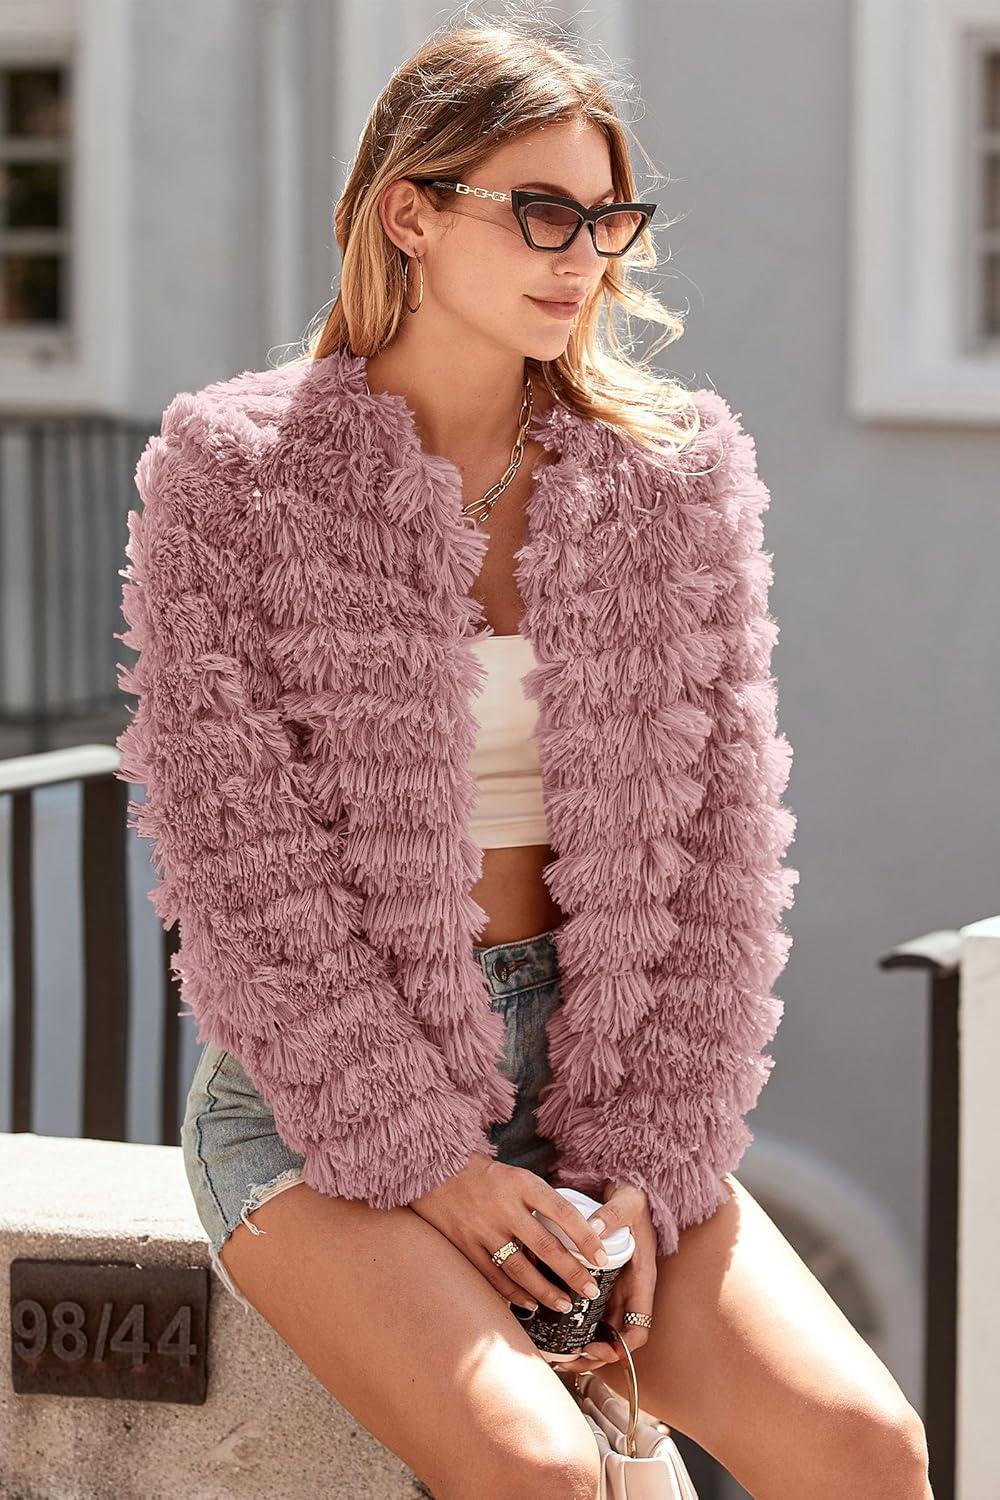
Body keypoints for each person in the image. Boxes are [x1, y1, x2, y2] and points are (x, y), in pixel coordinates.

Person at [115, 19, 933, 1500]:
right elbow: (246, 882)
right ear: (411, 214)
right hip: (324, 1107)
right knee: (543, 1475)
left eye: (609, 219)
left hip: (602, 1086)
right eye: (542, 212)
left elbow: (720, 865)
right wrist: (431, 1161)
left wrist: (648, 1163)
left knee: (863, 1448)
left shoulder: (672, 477)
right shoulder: (235, 474)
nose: (585, 256)